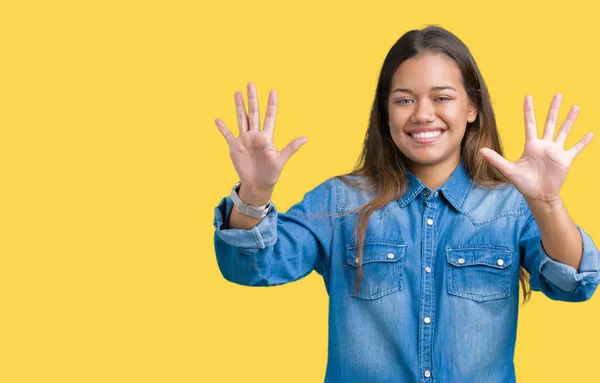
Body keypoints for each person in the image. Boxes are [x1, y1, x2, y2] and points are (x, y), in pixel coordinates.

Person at [212, 26, 599, 382]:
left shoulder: (511, 207)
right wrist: (254, 193)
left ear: (472, 107)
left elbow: (575, 284)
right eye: (404, 100)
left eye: (442, 97)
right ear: (386, 112)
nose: (422, 114)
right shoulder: (341, 201)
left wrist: (546, 201)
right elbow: (250, 267)